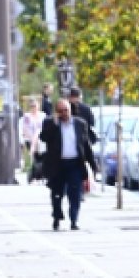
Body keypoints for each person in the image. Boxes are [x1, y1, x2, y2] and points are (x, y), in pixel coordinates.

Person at [40, 98, 97, 230]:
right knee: (57, 193)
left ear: (70, 110)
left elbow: (86, 145)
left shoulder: (80, 124)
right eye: (61, 111)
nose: (64, 113)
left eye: (66, 110)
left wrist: (93, 165)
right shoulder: (50, 123)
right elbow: (43, 138)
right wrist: (53, 125)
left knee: (75, 193)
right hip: (57, 165)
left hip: (75, 164)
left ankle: (74, 220)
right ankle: (57, 216)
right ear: (56, 112)